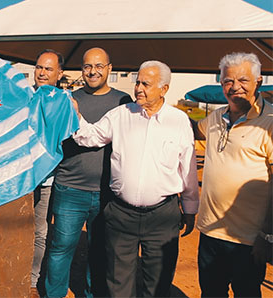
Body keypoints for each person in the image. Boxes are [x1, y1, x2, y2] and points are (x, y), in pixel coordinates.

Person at [71, 60, 199, 297]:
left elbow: (188, 169)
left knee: (158, 284)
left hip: (163, 216)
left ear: (164, 89)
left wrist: (190, 208)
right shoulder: (121, 115)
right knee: (118, 283)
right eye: (137, 82)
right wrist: (74, 114)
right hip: (121, 215)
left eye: (146, 84)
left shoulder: (179, 120)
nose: (138, 88)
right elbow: (89, 137)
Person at [44, 47, 132, 298]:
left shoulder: (124, 101)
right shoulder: (67, 99)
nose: (93, 71)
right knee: (61, 249)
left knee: (101, 251)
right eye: (87, 66)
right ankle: (54, 294)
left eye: (99, 66)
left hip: (108, 191)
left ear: (110, 68)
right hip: (69, 187)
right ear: (81, 69)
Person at [193, 52, 273, 297]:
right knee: (211, 292)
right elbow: (193, 131)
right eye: (228, 81)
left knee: (246, 293)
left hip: (249, 241)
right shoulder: (216, 117)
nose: (235, 87)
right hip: (209, 231)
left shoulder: (270, 122)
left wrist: (266, 235)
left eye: (243, 80)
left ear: (258, 82)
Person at [30, 49, 64, 297]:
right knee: (11, 228)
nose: (42, 72)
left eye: (48, 69)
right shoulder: (20, 97)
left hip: (46, 180)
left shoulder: (64, 102)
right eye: (39, 67)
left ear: (59, 74)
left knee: (39, 233)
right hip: (17, 179)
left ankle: (31, 282)